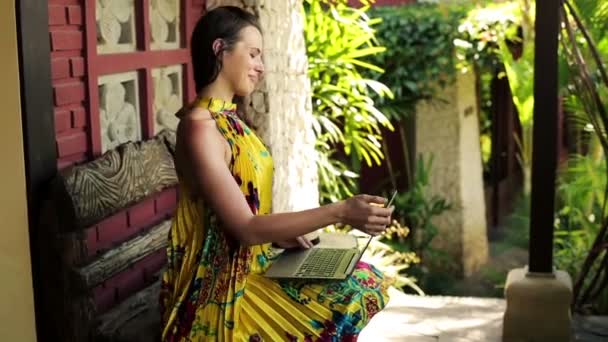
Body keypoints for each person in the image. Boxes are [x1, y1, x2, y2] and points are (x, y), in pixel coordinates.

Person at [159, 6, 394, 341]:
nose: (261, 67)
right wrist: (340, 210)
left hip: (251, 265)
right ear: (219, 50)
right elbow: (246, 228)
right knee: (354, 292)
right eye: (253, 54)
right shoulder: (200, 128)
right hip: (218, 293)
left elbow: (242, 219)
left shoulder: (231, 121)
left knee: (362, 279)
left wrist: (280, 235)